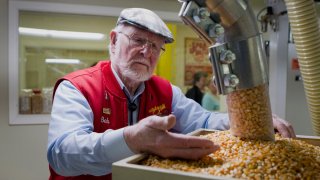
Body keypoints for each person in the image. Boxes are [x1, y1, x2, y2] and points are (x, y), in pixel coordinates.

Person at [47, 8, 296, 179]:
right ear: (113, 41)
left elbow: (205, 121)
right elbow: (61, 154)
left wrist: (252, 121)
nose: (147, 52)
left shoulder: (165, 90)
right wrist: (132, 139)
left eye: (156, 46)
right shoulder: (77, 87)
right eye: (137, 40)